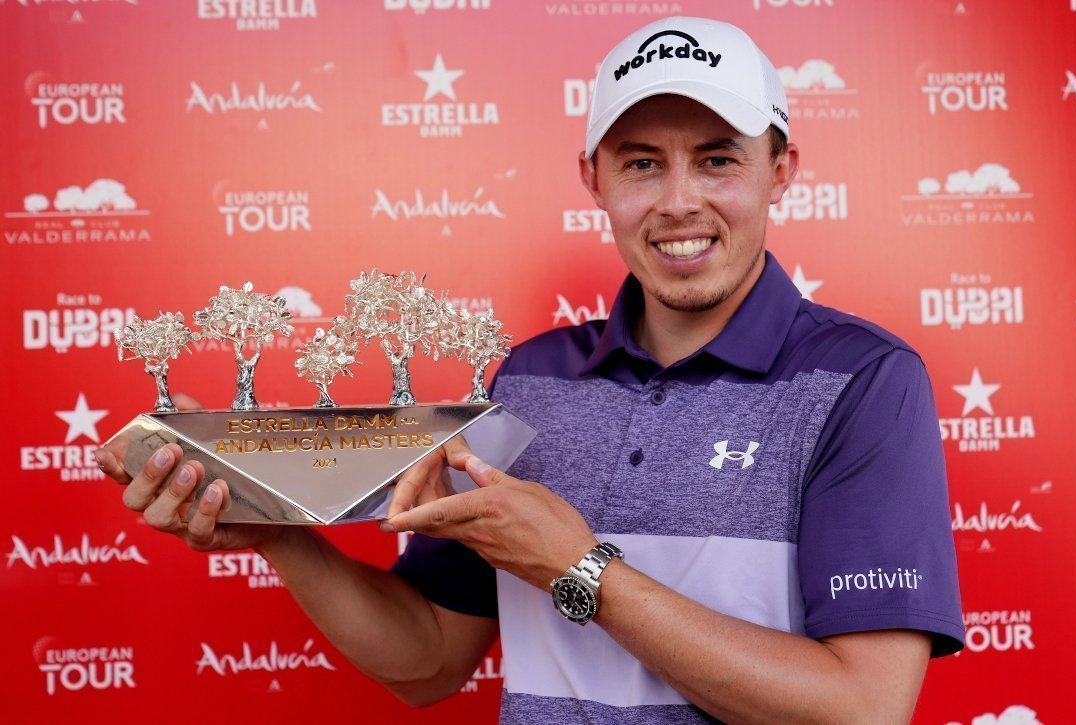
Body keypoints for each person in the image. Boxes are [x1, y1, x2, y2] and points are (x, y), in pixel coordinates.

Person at [97, 16, 963, 724]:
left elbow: (862, 708)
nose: (678, 201)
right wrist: (281, 533)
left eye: (719, 157)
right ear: (593, 178)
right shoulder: (529, 381)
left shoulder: (864, 382)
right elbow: (431, 657)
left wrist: (579, 570)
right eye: (640, 162)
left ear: (783, 171)